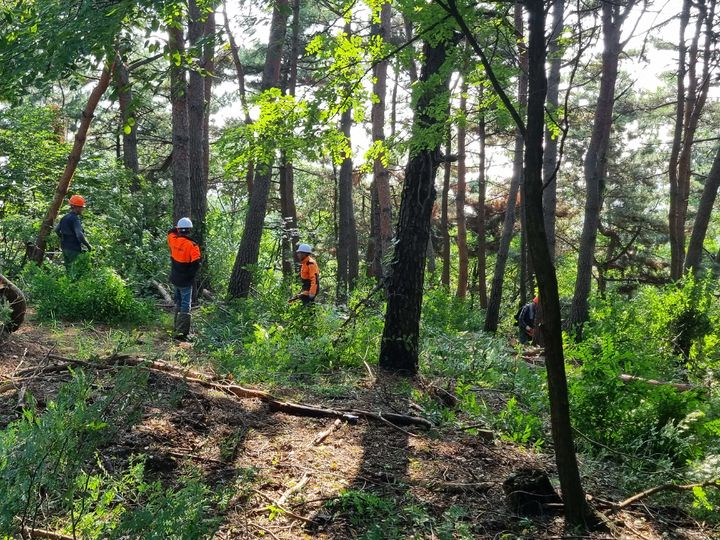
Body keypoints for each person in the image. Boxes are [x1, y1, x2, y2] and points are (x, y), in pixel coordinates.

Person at [167, 217, 201, 339]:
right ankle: (182, 333)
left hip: (175, 279)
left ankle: (177, 327)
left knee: (179, 302)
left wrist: (178, 228)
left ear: (179, 229)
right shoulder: (193, 246)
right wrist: (189, 277)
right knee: (186, 304)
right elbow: (196, 265)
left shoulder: (173, 240)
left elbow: (170, 231)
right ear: (190, 230)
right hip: (185, 281)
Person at [54, 194, 92, 269]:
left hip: (65, 247)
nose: (82, 209)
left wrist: (64, 238)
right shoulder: (75, 219)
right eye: (81, 207)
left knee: (68, 270)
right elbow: (79, 235)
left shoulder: (65, 217)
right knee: (76, 271)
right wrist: (88, 246)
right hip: (74, 249)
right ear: (76, 207)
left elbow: (56, 230)